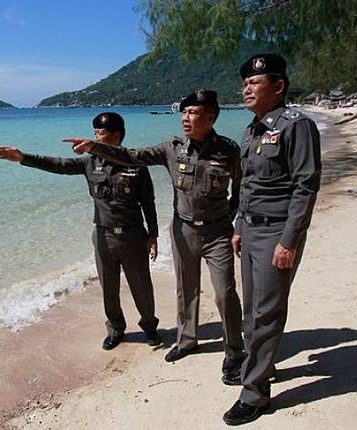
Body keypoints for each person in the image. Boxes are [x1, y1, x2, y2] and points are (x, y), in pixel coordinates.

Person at [64, 90, 245, 385]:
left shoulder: (229, 150)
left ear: (210, 117)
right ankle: (187, 341)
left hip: (218, 231)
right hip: (183, 229)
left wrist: (235, 222)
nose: (186, 118)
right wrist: (96, 147)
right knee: (186, 290)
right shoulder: (172, 148)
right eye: (184, 113)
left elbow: (240, 189)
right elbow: (132, 155)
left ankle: (234, 351)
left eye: (193, 113)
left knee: (225, 292)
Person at [0, 112, 161, 350]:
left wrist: (153, 235)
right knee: (109, 288)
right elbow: (59, 165)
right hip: (103, 236)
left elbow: (148, 201)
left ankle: (149, 327)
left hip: (133, 236)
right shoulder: (90, 162)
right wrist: (23, 157)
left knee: (141, 286)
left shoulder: (135, 162)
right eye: (94, 132)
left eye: (100, 133)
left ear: (117, 135)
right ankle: (116, 330)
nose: (94, 137)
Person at [222, 53, 322, 425]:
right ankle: (260, 367)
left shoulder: (297, 126)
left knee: (266, 313)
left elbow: (305, 185)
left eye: (255, 82)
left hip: (277, 233)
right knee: (253, 310)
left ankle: (255, 394)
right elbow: (248, 185)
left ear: (278, 86)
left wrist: (289, 240)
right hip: (250, 230)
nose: (246, 87)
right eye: (245, 82)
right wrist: (237, 227)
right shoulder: (253, 129)